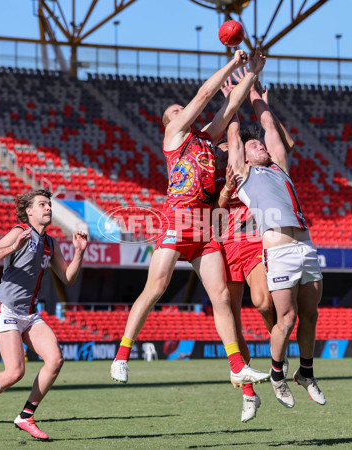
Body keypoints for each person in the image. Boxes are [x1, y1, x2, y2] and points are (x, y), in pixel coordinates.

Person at [110, 49, 270, 390]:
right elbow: (204, 95)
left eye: (181, 109)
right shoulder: (174, 138)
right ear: (168, 123)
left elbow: (228, 108)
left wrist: (251, 74)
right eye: (175, 112)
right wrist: (234, 63)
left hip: (204, 225)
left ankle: (238, 366)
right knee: (155, 288)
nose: (182, 111)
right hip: (177, 219)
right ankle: (122, 355)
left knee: (222, 297)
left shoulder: (204, 139)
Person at [0, 189, 88, 441]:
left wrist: (79, 252)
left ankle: (26, 416)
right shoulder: (19, 232)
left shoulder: (51, 243)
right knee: (14, 372)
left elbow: (68, 279)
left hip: (29, 313)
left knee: (55, 360)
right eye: (42, 204)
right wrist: (12, 247)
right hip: (6, 308)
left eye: (49, 204)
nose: (48, 208)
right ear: (29, 211)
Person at [227, 76, 327, 410]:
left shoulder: (280, 166)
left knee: (310, 315)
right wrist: (236, 98)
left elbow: (268, 123)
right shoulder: (243, 175)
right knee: (286, 319)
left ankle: (307, 373)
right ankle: (276, 375)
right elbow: (234, 135)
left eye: (263, 145)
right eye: (255, 146)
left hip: (306, 247)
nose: (262, 147)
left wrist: (256, 96)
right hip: (279, 250)